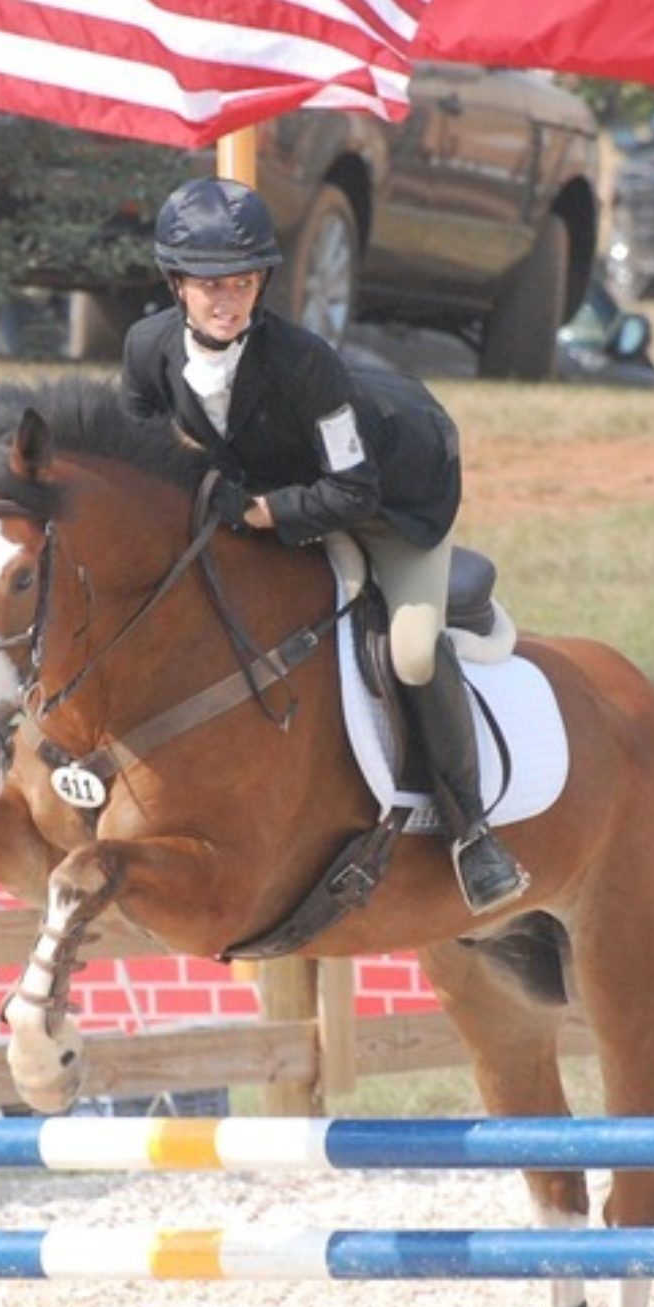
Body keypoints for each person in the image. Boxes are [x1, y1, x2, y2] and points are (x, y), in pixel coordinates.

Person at [120, 176, 528, 916]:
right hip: (272, 490)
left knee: (408, 648)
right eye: (209, 285)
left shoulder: (304, 363)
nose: (227, 301)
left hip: (389, 500)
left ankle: (473, 832)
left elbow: (353, 491)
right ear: (176, 284)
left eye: (242, 283)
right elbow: (143, 457)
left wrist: (259, 512)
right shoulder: (146, 349)